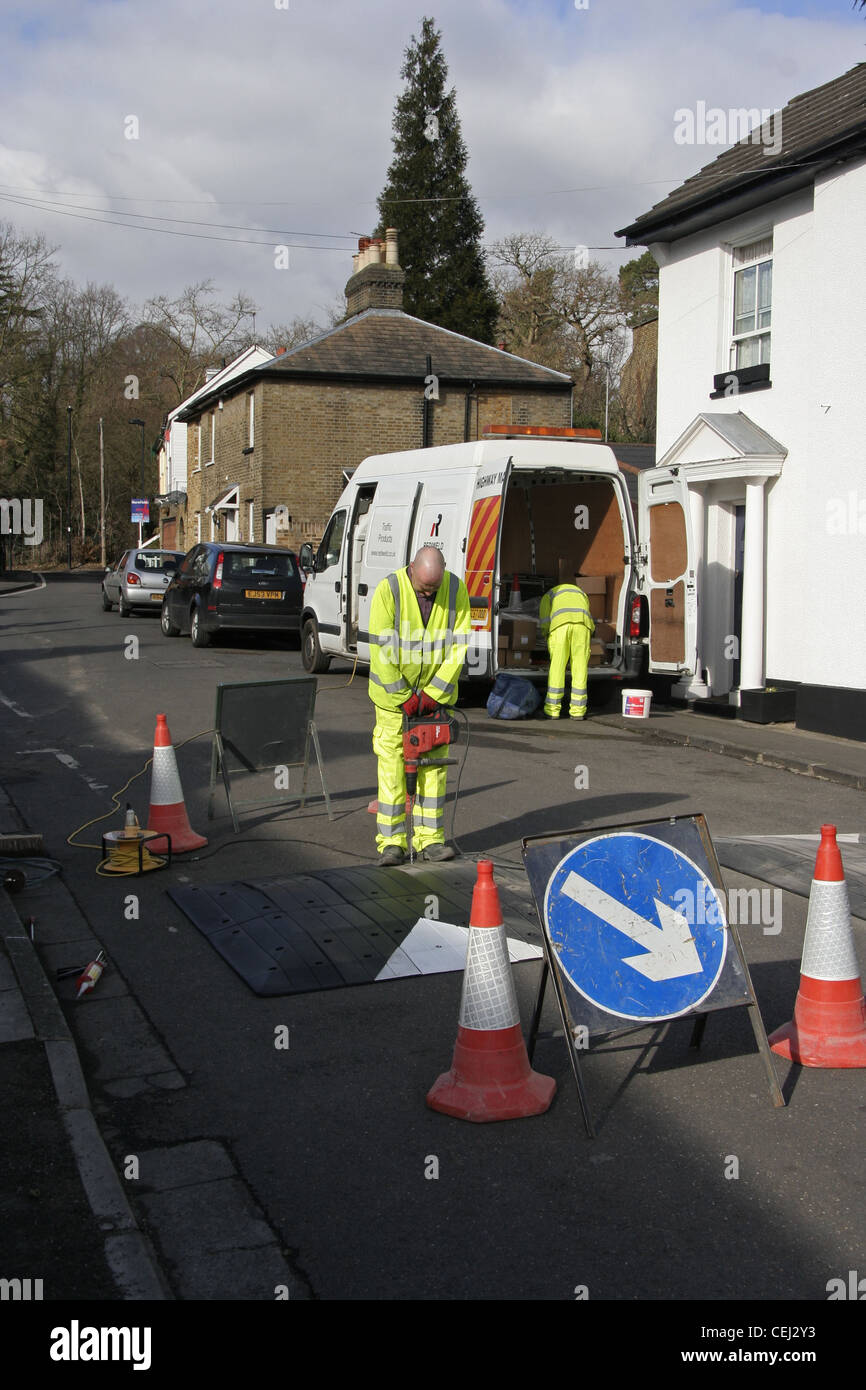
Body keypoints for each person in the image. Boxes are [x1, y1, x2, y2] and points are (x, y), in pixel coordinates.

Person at [368, 545, 471, 865]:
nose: (429, 593)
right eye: (424, 587)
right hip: (393, 705)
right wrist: (405, 697)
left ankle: (430, 840)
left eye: (434, 588)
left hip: (434, 704)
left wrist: (434, 694)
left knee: (434, 770)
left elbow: (459, 645)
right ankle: (391, 843)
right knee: (393, 772)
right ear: (411, 568)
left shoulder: (454, 589)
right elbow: (381, 649)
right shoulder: (390, 590)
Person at [539, 559, 595, 720]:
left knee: (557, 667)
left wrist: (545, 635)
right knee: (580, 667)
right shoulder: (580, 592)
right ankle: (578, 711)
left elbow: (544, 621)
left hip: (560, 628)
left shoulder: (549, 595)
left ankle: (552, 710)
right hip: (582, 627)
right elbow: (587, 613)